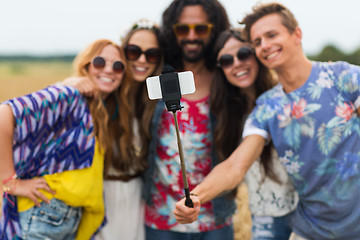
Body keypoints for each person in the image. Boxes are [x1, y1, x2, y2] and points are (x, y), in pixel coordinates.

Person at [173, 2, 360, 240]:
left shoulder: (344, 77)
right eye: (258, 41)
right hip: (311, 232)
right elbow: (235, 165)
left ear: (297, 34)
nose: (265, 45)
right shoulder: (267, 107)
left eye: (271, 35)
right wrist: (196, 196)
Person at [0, 39, 132, 240]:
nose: (109, 70)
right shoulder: (69, 94)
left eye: (118, 65)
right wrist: (11, 183)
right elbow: (4, 114)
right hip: (44, 214)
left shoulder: (102, 111)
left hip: (66, 219)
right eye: (99, 62)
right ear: (86, 65)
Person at [142, 0, 235, 239]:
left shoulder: (227, 78)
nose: (191, 36)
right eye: (183, 29)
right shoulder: (157, 75)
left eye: (201, 29)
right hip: (161, 219)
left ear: (215, 30)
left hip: (215, 219)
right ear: (172, 32)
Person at [211, 28, 298, 239]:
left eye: (243, 54)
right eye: (226, 60)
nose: (237, 63)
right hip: (264, 216)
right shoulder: (227, 113)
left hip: (305, 211)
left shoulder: (288, 94)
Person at [92, 19, 163, 240]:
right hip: (99, 197)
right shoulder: (102, 94)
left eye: (151, 54)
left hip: (137, 199)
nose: (142, 60)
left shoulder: (155, 102)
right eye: (133, 51)